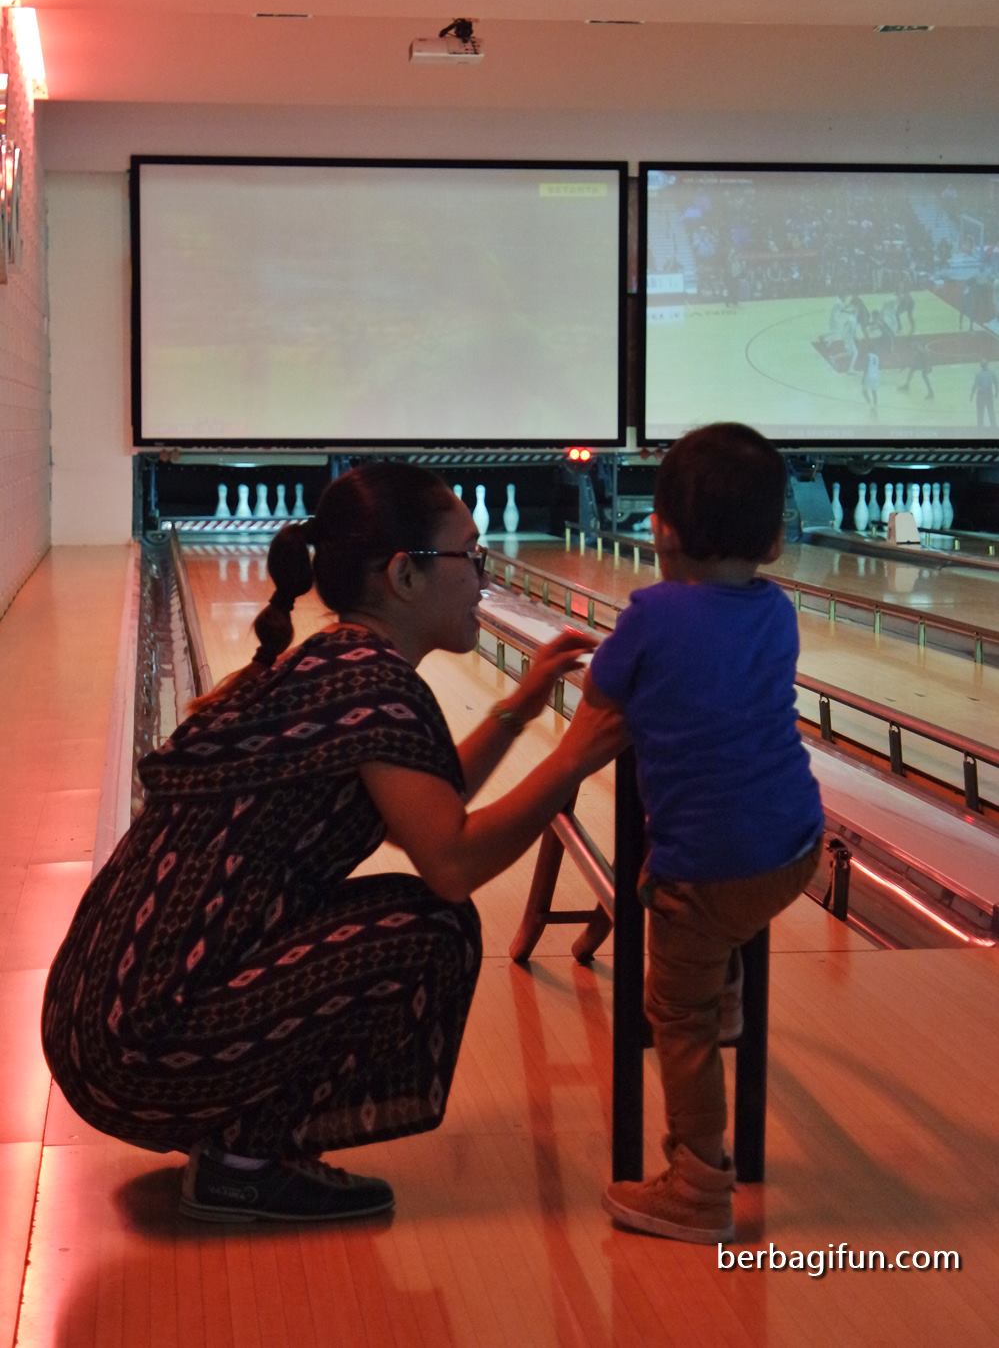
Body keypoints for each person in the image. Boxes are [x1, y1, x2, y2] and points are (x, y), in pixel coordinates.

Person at [41, 463, 624, 1225]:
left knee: (412, 911)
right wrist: (575, 753)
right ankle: (244, 1162)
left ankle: (235, 1137)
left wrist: (517, 710)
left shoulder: (337, 662)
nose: (484, 578)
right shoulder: (371, 685)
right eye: (469, 557)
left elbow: (419, 809)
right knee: (430, 927)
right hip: (140, 1043)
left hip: (102, 1018)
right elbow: (450, 863)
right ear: (404, 575)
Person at [588, 424, 823, 1245]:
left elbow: (601, 698)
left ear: (659, 529)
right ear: (772, 538)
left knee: (674, 1016)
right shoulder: (778, 610)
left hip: (709, 871)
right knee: (723, 916)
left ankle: (695, 1184)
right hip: (796, 845)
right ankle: (724, 989)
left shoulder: (650, 614)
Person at [970, 359, 998, 428]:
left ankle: (991, 425)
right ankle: (985, 425)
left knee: (988, 410)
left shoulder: (987, 373)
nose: (983, 365)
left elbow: (996, 383)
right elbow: (975, 385)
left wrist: (997, 392)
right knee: (984, 410)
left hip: (985, 393)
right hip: (984, 394)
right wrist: (972, 394)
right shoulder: (983, 373)